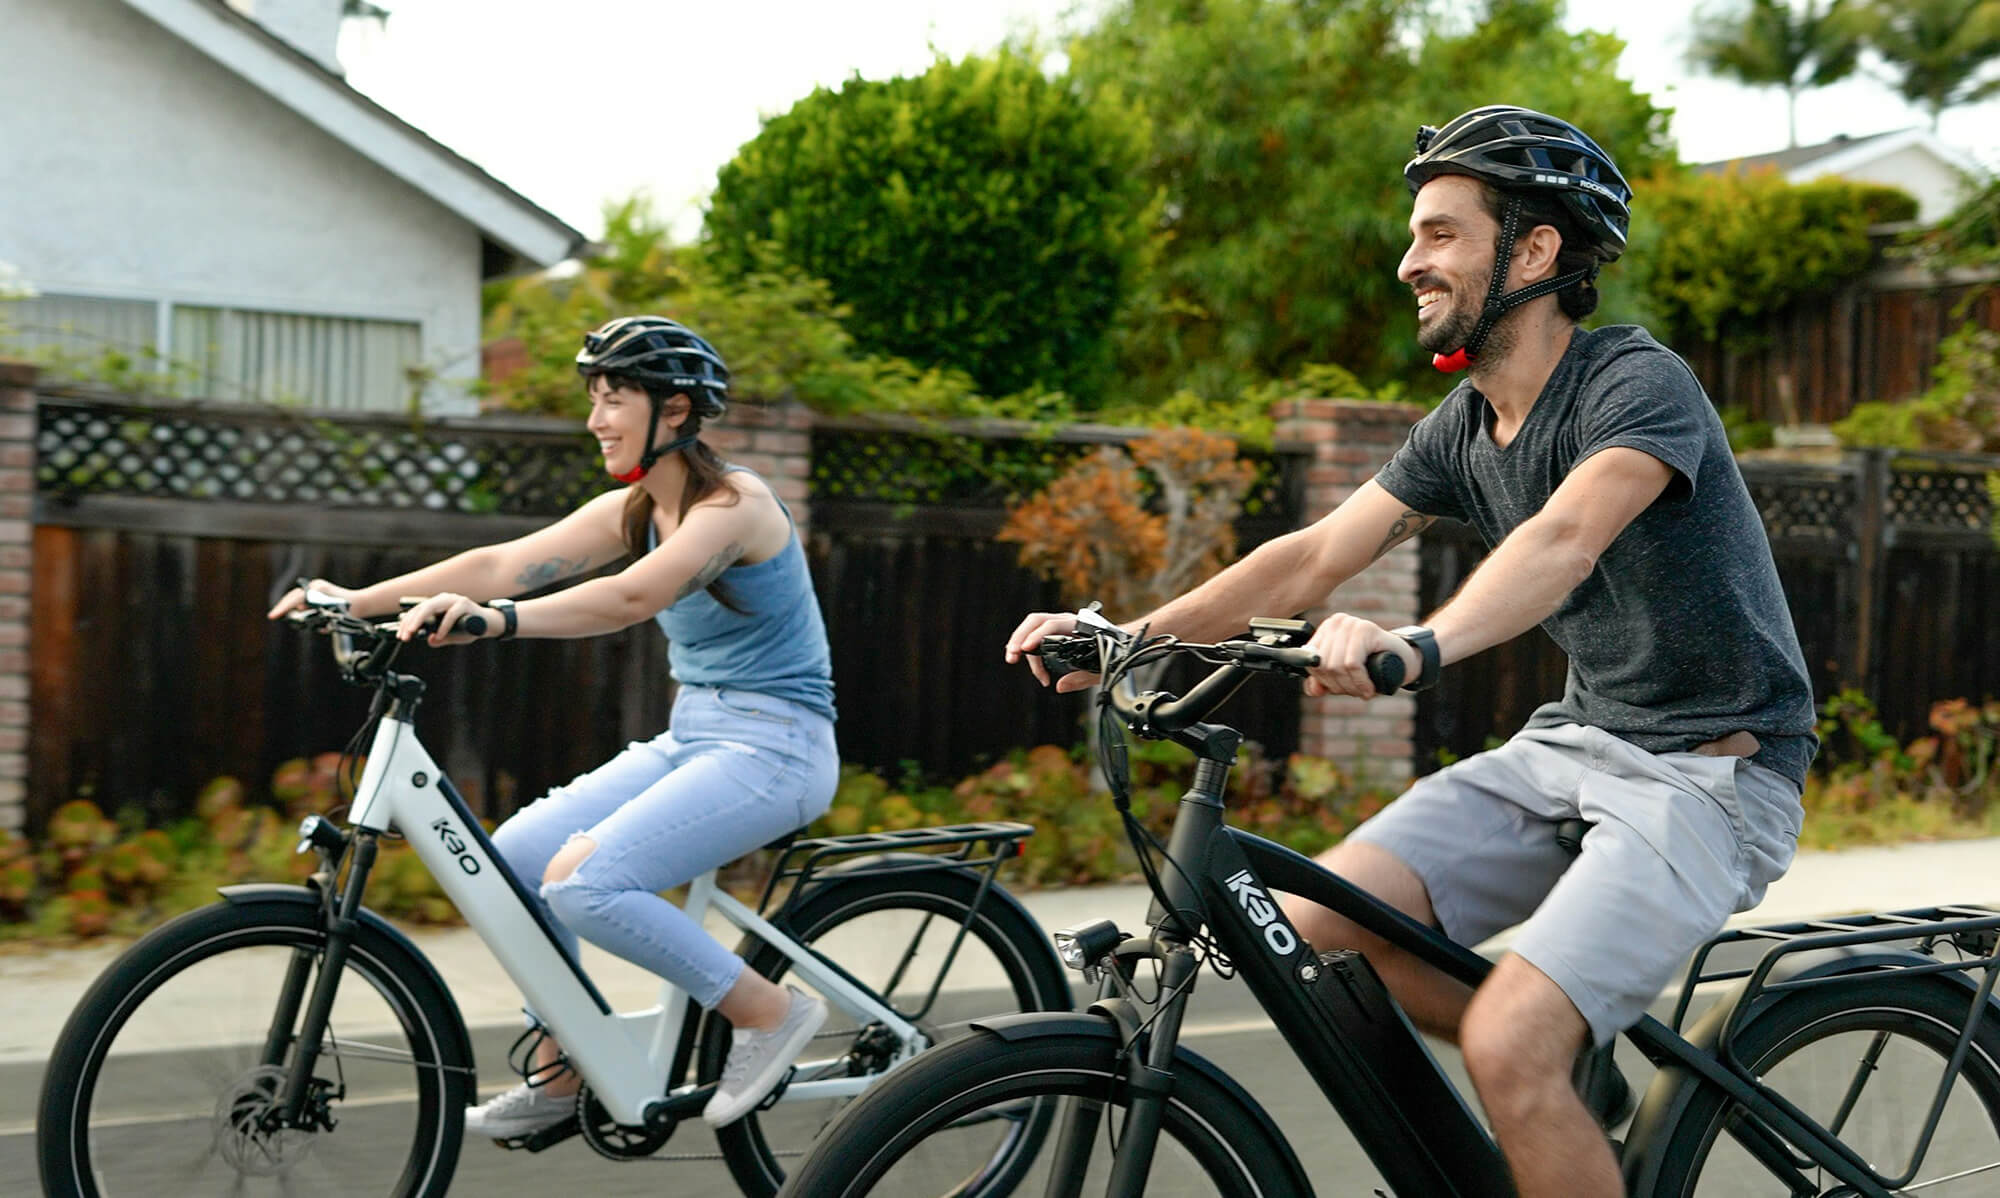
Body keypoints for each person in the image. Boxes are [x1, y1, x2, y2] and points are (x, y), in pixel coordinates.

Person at [1005, 106, 1815, 1198]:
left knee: (1507, 1045)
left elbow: (1563, 541)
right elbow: (1311, 554)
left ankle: (1536, 1061)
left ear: (1532, 250)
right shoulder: (1462, 423)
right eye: (1414, 234)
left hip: (1710, 775)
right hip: (1575, 744)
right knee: (1310, 935)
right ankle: (1556, 1076)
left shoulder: (1633, 383)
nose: (1407, 260)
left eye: (1439, 233)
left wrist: (1420, 647)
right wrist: (1125, 640)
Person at [269, 315, 840, 1138]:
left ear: (675, 410)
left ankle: (767, 1011)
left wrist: (495, 623)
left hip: (777, 747)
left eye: (616, 398)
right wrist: (352, 601)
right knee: (518, 862)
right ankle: (567, 1066)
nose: (596, 418)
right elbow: (502, 562)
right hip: (697, 735)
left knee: (584, 882)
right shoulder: (638, 507)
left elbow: (632, 597)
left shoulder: (733, 507)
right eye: (595, 398)